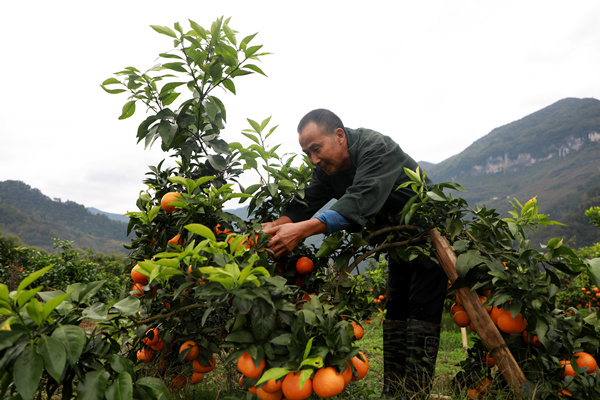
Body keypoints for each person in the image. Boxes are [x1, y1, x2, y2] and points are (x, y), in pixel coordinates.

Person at [262, 109, 447, 399]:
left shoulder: (377, 149)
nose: (314, 159)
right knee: (397, 311)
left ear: (339, 135)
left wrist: (301, 231)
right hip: (396, 241)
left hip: (430, 236)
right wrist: (276, 226)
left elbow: (360, 199)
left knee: (422, 310)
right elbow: (307, 203)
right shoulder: (326, 169)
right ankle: (393, 390)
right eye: (307, 153)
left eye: (316, 149)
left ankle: (415, 393)